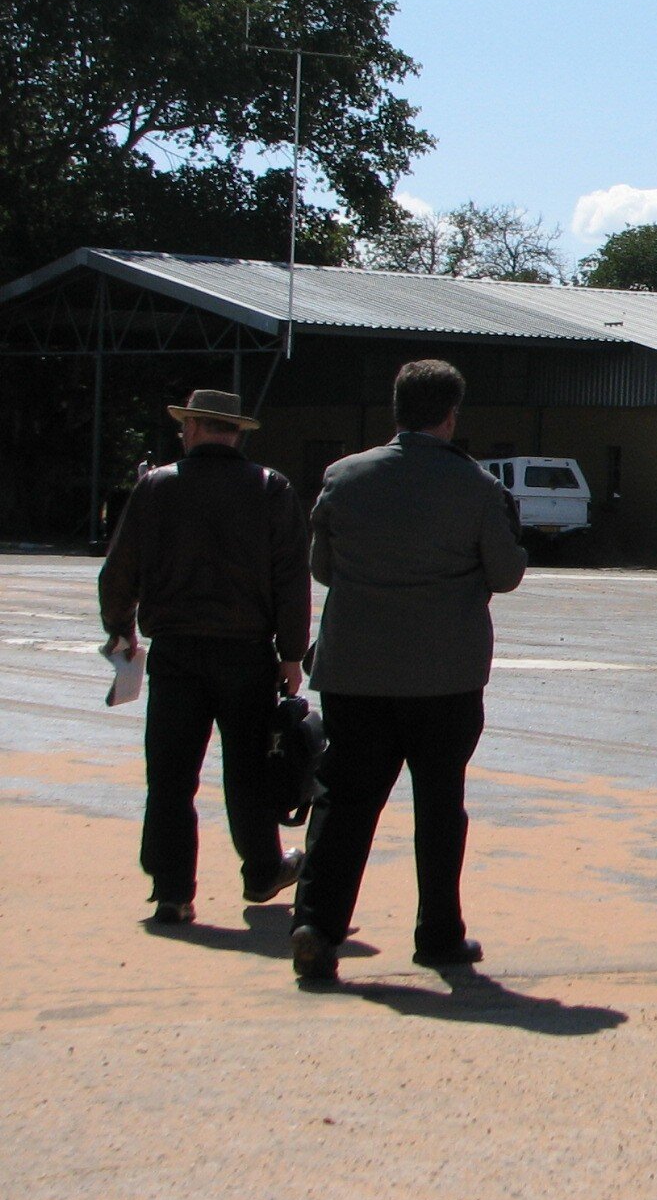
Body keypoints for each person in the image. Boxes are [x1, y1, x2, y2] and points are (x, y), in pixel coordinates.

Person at [290, 360, 528, 984]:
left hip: (354, 672)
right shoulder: (477, 487)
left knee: (343, 802)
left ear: (398, 410)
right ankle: (438, 935)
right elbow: (505, 574)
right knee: (440, 804)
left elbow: (322, 569)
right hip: (444, 678)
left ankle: (317, 924)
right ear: (451, 415)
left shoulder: (343, 477)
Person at [98, 389, 311, 925]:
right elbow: (291, 578)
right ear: (235, 433)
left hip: (176, 653)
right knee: (247, 771)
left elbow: (118, 572)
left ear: (192, 429)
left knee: (170, 776)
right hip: (246, 655)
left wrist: (121, 629)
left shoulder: (156, 486)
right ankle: (263, 869)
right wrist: (290, 656)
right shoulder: (271, 488)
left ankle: (173, 890)